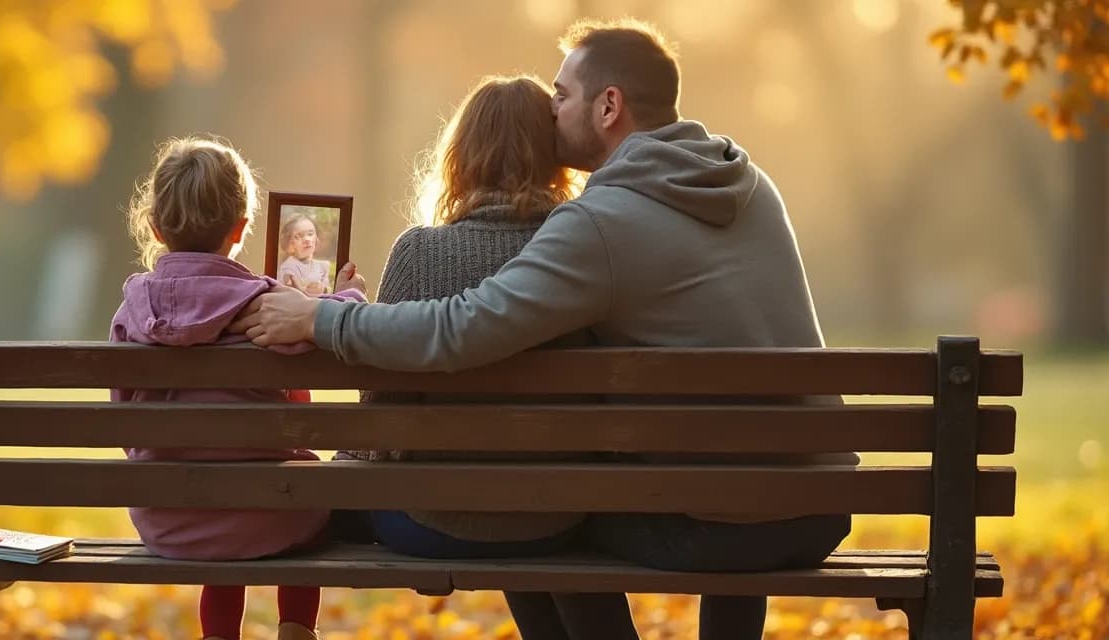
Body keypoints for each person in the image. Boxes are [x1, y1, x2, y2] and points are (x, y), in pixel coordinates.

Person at [230, 18, 853, 640]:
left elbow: (463, 327)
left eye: (561, 95)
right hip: (820, 507)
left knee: (541, 508)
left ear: (609, 105)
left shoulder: (600, 222)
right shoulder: (747, 183)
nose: (550, 112)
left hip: (711, 525)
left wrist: (323, 316)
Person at [110, 136, 365, 640]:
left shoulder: (134, 309)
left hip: (169, 519)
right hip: (274, 515)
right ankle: (295, 626)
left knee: (225, 512)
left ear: (157, 228)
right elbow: (311, 369)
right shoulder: (266, 303)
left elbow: (123, 417)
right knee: (289, 492)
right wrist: (347, 296)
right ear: (241, 228)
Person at [344, 75, 604, 563]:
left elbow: (382, 405)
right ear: (555, 155)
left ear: (460, 154)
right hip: (557, 521)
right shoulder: (586, 253)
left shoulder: (419, 253)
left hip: (429, 521)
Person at [277, 212, 333, 296]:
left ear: (316, 239)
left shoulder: (322, 266)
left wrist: (323, 289)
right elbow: (292, 293)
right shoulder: (288, 267)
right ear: (290, 245)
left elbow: (329, 291)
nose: (306, 239)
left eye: (310, 234)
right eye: (298, 236)